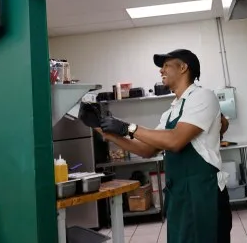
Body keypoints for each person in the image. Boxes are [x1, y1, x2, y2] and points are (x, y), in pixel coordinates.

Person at [98, 49, 232, 243]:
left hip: (202, 193)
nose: (161, 71)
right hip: (179, 194)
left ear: (184, 67)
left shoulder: (203, 96)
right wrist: (109, 134)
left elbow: (175, 141)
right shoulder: (171, 111)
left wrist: (128, 127)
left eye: (167, 65)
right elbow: (147, 149)